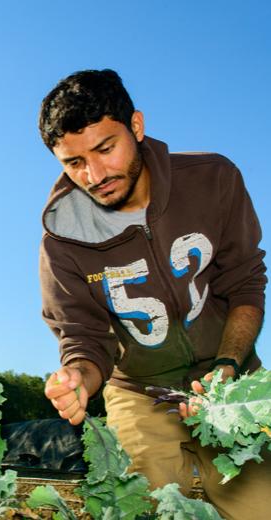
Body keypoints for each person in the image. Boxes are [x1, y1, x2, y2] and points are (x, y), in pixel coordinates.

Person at [38, 69, 271, 519]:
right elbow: (83, 339)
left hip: (229, 381)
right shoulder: (60, 243)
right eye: (74, 162)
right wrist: (78, 381)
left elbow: (244, 284)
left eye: (106, 148)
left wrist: (227, 366)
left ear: (137, 127)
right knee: (141, 508)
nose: (95, 174)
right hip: (140, 394)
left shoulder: (213, 179)